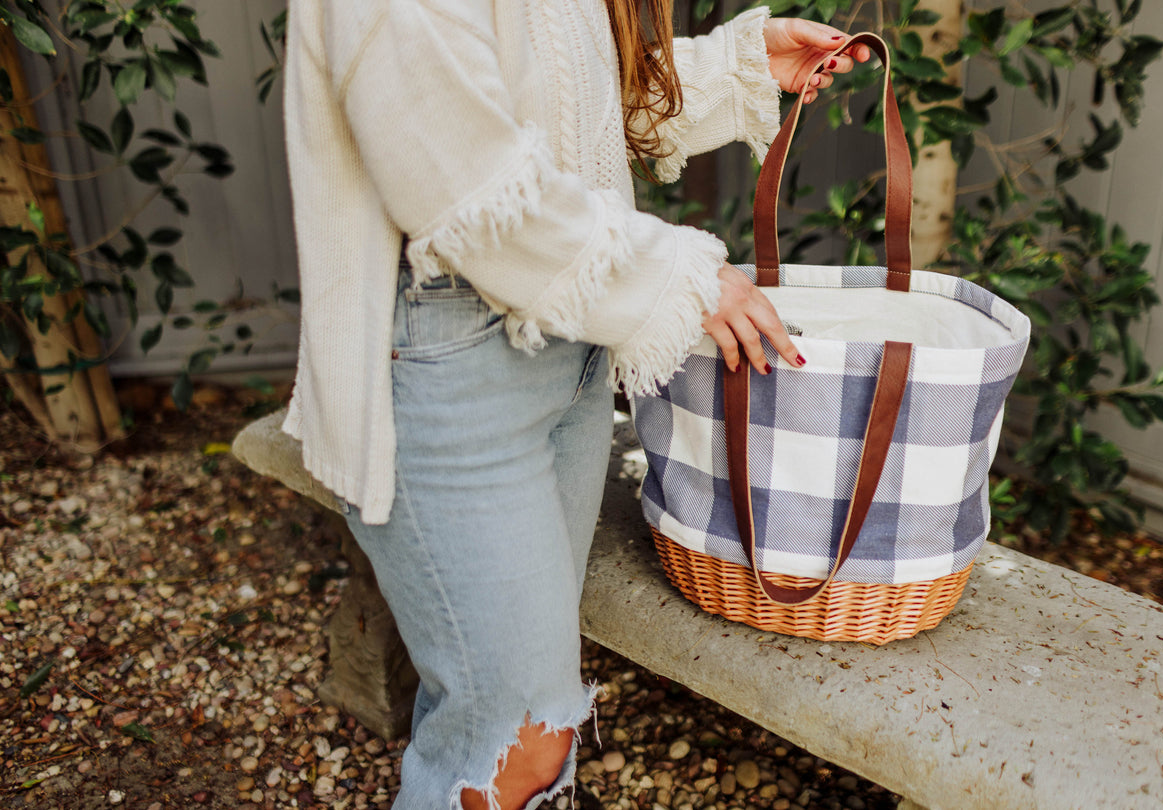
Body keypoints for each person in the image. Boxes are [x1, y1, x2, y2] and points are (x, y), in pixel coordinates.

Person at [281, 1, 867, 808]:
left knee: (504, 708)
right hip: (447, 367)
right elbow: (465, 186)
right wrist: (678, 276)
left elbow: (567, 100)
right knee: (517, 738)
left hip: (572, 345)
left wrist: (736, 66)